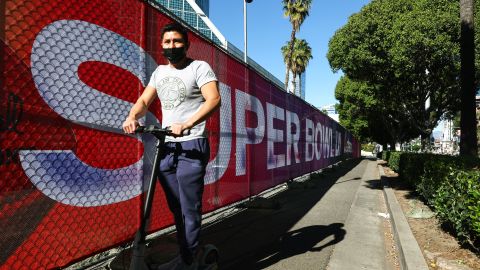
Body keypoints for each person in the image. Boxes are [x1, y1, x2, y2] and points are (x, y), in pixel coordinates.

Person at [122, 22, 221, 270]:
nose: (172, 46)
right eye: (167, 42)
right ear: (162, 45)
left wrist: (187, 124)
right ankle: (188, 255)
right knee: (176, 208)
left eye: (177, 41)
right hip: (166, 147)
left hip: (191, 145)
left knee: (189, 207)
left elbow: (214, 100)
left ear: (186, 45)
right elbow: (145, 99)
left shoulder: (199, 68)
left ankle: (189, 263)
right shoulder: (159, 73)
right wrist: (133, 116)